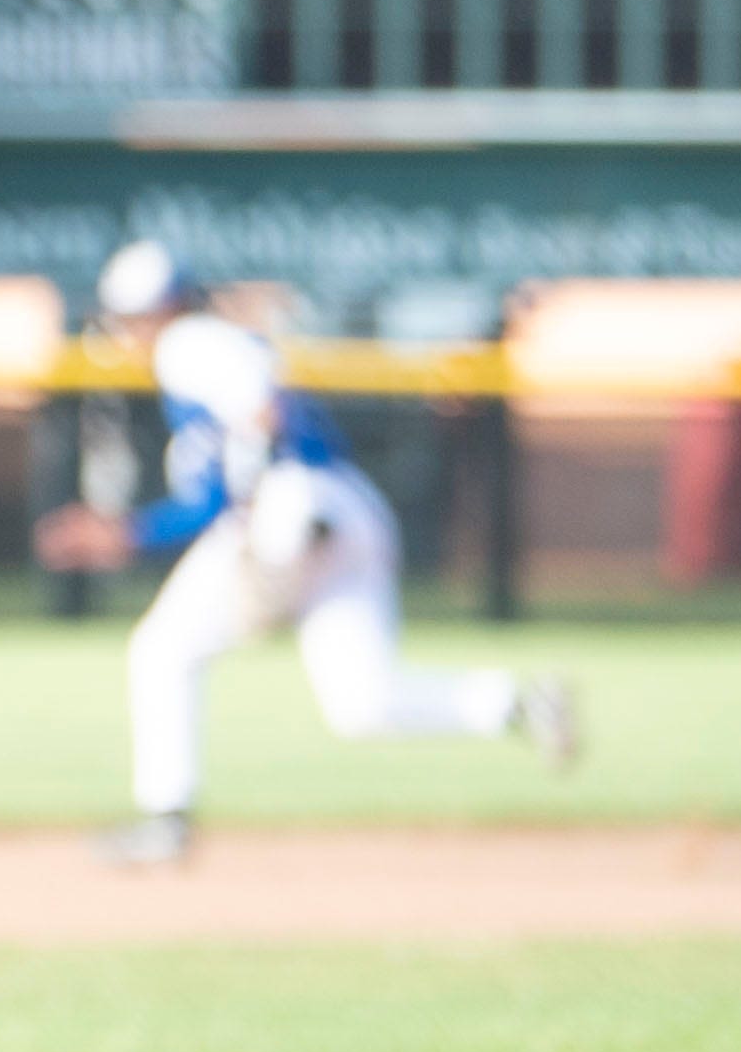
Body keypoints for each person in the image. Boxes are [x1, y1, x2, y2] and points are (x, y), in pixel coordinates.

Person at [33, 242, 572, 865]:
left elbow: (260, 410)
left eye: (133, 317)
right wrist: (132, 534)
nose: (130, 331)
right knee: (363, 705)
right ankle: (517, 703)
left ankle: (167, 818)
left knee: (161, 649)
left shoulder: (188, 344)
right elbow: (212, 494)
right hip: (350, 512)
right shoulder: (205, 361)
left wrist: (266, 512)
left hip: (295, 505)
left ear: (160, 310)